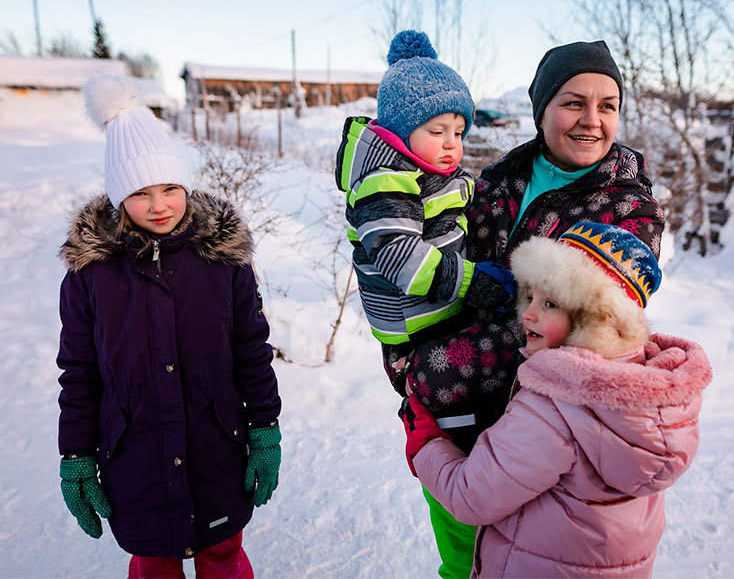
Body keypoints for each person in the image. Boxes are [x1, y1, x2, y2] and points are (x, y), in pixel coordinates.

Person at [387, 40, 667, 577]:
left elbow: (578, 336)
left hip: (546, 442)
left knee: (525, 561)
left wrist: (427, 374)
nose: (591, 120)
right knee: (461, 562)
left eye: (607, 105)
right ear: (542, 109)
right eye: (573, 102)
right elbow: (429, 275)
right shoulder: (495, 181)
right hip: (454, 423)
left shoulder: (630, 211)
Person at [56, 75, 282, 579]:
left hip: (215, 447)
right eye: (140, 192)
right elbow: (79, 371)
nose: (159, 205)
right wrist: (76, 454)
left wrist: (265, 428)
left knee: (222, 556)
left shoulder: (222, 262)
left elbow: (251, 348)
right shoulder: (91, 275)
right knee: (154, 562)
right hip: (134, 457)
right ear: (118, 198)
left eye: (170, 188)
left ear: (187, 186)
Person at [402, 221, 711, 578]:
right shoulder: (647, 396)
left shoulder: (555, 407)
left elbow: (471, 497)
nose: (528, 313)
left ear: (594, 320)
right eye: (529, 297)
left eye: (549, 303)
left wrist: (425, 442)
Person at [335, 30, 514, 579]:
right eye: (437, 130)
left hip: (442, 326)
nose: (452, 142)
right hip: (415, 339)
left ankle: (485, 539)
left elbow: (463, 206)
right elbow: (395, 252)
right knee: (455, 441)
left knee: (479, 437)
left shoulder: (432, 170)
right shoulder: (384, 178)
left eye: (459, 130)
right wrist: (469, 284)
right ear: (397, 129)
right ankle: (464, 555)